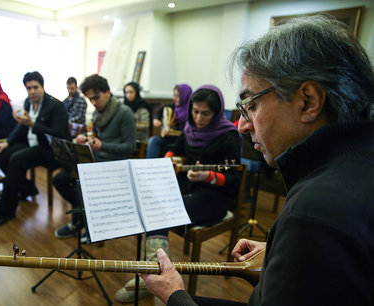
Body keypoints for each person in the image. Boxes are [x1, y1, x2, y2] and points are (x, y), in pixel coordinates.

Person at [140, 16, 374, 306]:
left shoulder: (315, 211)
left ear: (308, 102)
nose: (241, 125)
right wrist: (281, 249)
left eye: (251, 105)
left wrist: (174, 294)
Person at [116, 85, 242, 303]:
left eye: (205, 113)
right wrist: (168, 157)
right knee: (152, 203)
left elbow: (233, 178)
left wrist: (209, 177)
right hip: (188, 189)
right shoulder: (189, 129)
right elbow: (176, 147)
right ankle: (157, 276)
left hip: (213, 197)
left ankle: (158, 279)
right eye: (195, 111)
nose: (199, 118)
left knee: (160, 212)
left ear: (217, 112)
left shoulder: (229, 136)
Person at [0, 71, 69, 229]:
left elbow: (60, 135)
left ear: (42, 87)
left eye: (35, 87)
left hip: (48, 149)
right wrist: (7, 142)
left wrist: (32, 124)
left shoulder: (55, 105)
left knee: (17, 159)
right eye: (28, 88)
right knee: (0, 153)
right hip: (31, 143)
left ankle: (5, 212)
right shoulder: (28, 102)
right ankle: (27, 187)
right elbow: (22, 127)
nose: (32, 92)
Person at [53, 74, 136, 238]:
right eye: (91, 99)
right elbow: (99, 137)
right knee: (60, 179)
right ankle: (83, 220)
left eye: (96, 97)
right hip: (97, 161)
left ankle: (88, 224)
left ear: (108, 92)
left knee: (79, 183)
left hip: (115, 167)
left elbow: (130, 148)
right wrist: (86, 138)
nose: (94, 103)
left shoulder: (124, 113)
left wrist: (102, 146)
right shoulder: (99, 113)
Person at [146, 84, 192, 158]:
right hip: (169, 139)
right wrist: (156, 119)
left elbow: (187, 132)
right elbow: (161, 111)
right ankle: (150, 166)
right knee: (154, 140)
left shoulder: (191, 112)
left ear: (185, 96)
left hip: (182, 141)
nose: (175, 98)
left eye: (178, 96)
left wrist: (172, 132)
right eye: (174, 95)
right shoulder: (173, 107)